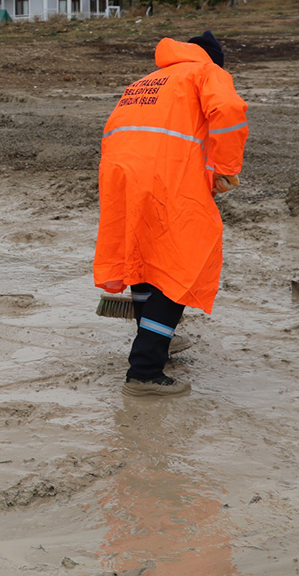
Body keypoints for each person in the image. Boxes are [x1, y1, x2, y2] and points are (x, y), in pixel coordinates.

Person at [94, 30, 248, 397]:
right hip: (167, 176)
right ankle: (145, 371)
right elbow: (229, 111)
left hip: (121, 176)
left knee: (145, 257)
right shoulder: (206, 72)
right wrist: (225, 168)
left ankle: (154, 335)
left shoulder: (147, 81)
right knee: (184, 264)